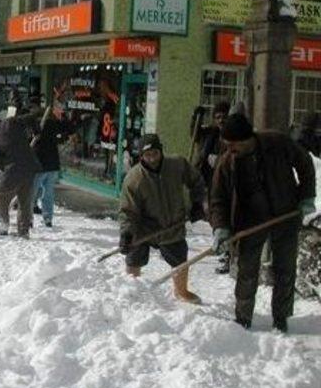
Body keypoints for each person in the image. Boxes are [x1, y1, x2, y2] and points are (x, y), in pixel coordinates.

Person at [209, 113, 316, 332]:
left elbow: (304, 163)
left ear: (246, 139)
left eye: (233, 144)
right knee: (247, 269)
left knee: (284, 268)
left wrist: (306, 196)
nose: (229, 148)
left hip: (285, 213)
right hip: (249, 220)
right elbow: (218, 198)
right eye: (226, 144)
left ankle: (281, 318)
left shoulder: (277, 142)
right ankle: (243, 318)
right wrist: (220, 227)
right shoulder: (227, 162)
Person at [119, 133, 206, 304]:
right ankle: (131, 291)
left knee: (179, 258)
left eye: (155, 154)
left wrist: (197, 203)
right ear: (141, 156)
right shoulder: (134, 178)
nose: (152, 159)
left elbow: (197, 181)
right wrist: (127, 233)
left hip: (172, 224)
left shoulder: (177, 165)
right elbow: (128, 210)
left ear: (161, 151)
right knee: (134, 256)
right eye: (147, 155)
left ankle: (181, 291)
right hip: (144, 226)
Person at [0, 115, 42, 238]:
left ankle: (3, 226)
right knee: (24, 200)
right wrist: (37, 131)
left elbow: (2, 164)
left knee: (0, 193)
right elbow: (31, 117)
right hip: (31, 165)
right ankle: (23, 231)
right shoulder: (9, 122)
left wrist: (10, 177)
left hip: (14, 168)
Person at [193, 101, 231, 274]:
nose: (221, 120)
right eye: (217, 117)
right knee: (212, 215)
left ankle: (226, 251)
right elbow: (194, 135)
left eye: (224, 116)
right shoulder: (210, 133)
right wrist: (196, 118)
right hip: (208, 180)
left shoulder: (232, 134)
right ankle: (221, 243)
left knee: (222, 216)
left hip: (226, 183)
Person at [31, 106, 68, 227]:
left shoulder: (36, 126)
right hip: (52, 164)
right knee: (48, 193)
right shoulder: (53, 124)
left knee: (32, 192)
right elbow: (66, 130)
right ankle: (48, 218)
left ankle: (28, 218)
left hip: (39, 164)